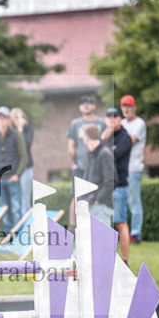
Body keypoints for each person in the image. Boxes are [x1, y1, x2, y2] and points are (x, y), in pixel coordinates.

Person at [0, 106, 27, 234]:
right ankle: (9, 236)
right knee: (4, 209)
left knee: (16, 209)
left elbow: (24, 156)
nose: (2, 120)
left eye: (4, 118)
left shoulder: (16, 136)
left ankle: (19, 236)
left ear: (9, 120)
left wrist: (18, 174)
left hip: (12, 178)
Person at [66, 94, 105, 227]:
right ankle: (73, 227)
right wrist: (75, 161)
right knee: (77, 196)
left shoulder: (101, 123)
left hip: (97, 167)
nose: (86, 105)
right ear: (80, 107)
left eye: (89, 102)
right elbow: (71, 145)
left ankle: (95, 226)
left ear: (94, 106)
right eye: (83, 103)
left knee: (97, 196)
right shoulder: (75, 124)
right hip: (81, 167)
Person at [102, 107, 133, 262]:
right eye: (108, 117)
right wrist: (104, 140)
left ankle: (125, 260)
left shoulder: (125, 138)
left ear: (120, 119)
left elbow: (113, 155)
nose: (111, 120)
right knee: (105, 224)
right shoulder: (105, 137)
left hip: (120, 185)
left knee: (120, 223)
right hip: (106, 187)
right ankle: (109, 259)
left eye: (115, 117)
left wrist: (105, 146)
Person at [120, 95, 146, 243]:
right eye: (124, 106)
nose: (126, 109)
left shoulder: (139, 124)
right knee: (120, 201)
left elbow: (129, 141)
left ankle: (135, 234)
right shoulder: (121, 123)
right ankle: (123, 233)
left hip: (133, 168)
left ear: (134, 107)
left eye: (129, 106)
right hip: (121, 168)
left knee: (134, 202)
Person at [80, 125, 116, 226]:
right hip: (90, 203)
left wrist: (98, 199)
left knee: (102, 240)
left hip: (100, 206)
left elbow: (111, 180)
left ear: (87, 137)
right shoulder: (92, 154)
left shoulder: (104, 153)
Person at [10, 107, 34, 214]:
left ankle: (27, 226)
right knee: (15, 200)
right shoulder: (10, 132)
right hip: (13, 170)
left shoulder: (28, 129)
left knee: (25, 199)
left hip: (25, 168)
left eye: (22, 117)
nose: (20, 120)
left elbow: (26, 145)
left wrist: (20, 130)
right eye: (17, 117)